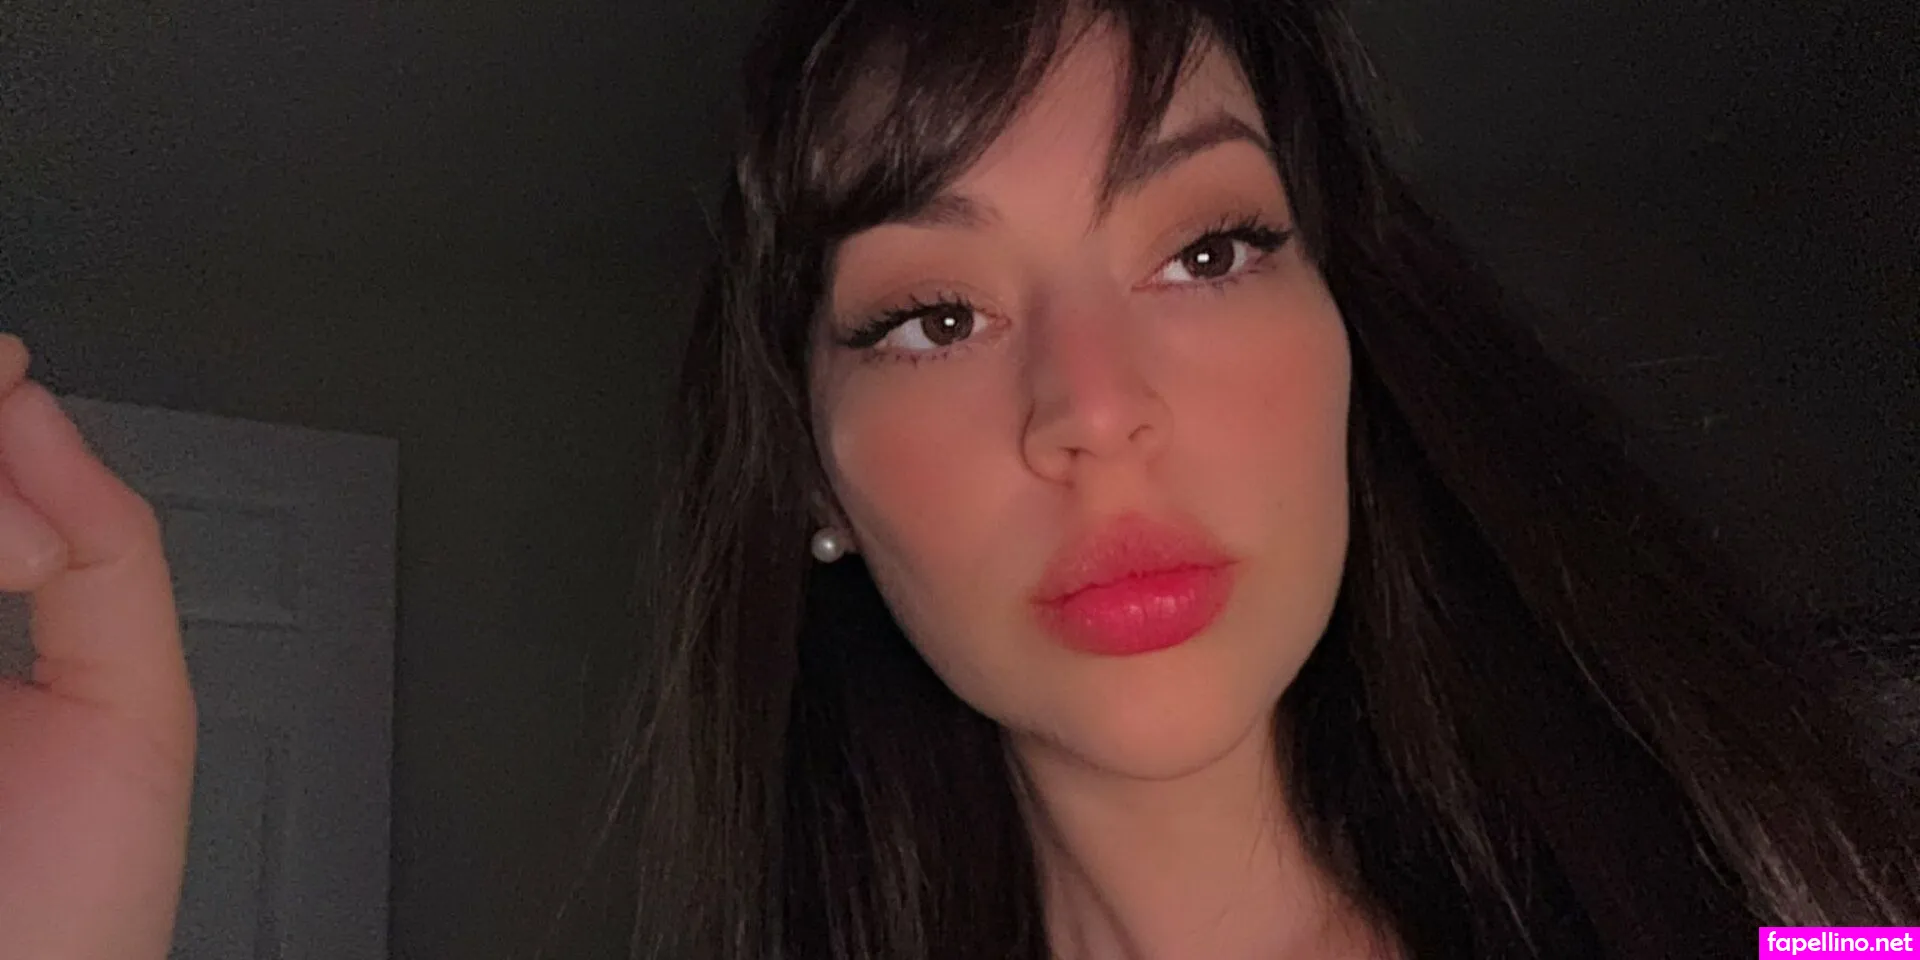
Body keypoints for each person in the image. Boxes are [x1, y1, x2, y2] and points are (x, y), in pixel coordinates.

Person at [0, 0, 1913, 958]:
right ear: (816, 482)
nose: (1092, 407)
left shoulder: (1785, 895)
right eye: (929, 314)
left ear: (1351, 346)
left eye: (1208, 248)